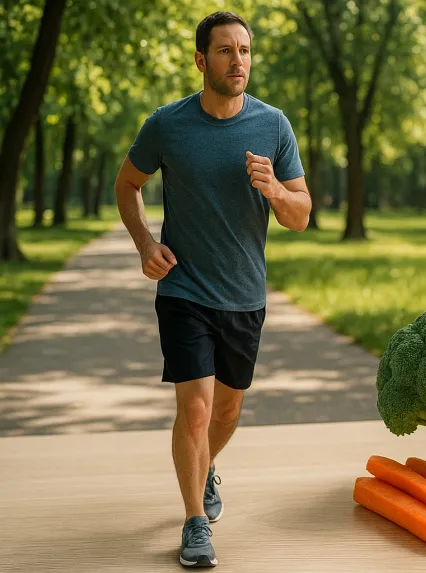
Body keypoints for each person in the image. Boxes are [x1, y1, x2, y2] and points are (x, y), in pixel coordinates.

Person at [113, 11, 310, 568]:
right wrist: (145, 246)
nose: (238, 61)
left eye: (244, 50)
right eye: (225, 51)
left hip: (245, 296)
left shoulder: (274, 126)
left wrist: (274, 188)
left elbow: (301, 215)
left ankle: (206, 468)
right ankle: (195, 521)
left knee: (225, 413)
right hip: (184, 290)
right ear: (202, 60)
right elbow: (127, 185)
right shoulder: (167, 125)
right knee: (195, 410)